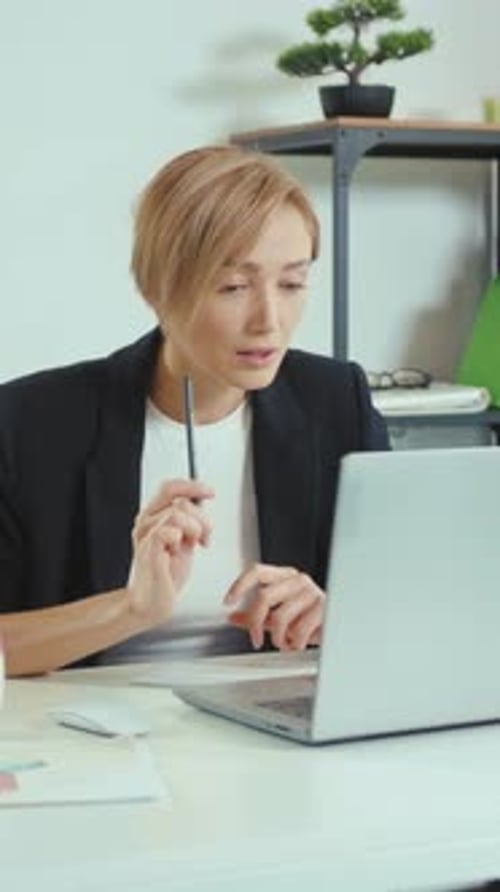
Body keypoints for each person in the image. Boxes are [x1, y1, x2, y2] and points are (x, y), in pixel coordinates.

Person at [0, 144, 389, 677]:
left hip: (274, 737)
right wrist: (132, 608)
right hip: (92, 739)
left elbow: (405, 609)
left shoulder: (337, 401)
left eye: (293, 283)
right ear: (155, 290)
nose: (269, 320)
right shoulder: (31, 422)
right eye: (233, 286)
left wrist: (336, 618)